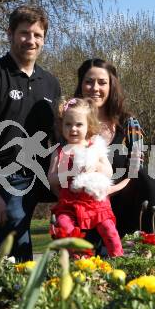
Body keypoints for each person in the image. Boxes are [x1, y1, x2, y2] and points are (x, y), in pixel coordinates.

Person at [0, 5, 61, 262]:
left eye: (38, 35)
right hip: (7, 180)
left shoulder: (51, 83)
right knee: (17, 255)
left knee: (87, 219)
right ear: (10, 34)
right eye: (24, 33)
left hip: (45, 174)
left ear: (44, 38)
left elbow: (61, 136)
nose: (31, 41)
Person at [74, 58, 155, 240]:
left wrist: (109, 191)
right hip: (83, 203)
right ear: (81, 85)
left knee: (148, 178)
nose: (95, 88)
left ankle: (146, 241)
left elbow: (135, 171)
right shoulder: (71, 124)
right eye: (88, 82)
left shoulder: (129, 123)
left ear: (111, 86)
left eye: (102, 82)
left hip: (121, 201)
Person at [48, 98, 124, 257]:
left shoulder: (95, 148)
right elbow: (51, 178)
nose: (73, 129)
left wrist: (95, 166)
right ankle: (81, 260)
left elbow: (109, 172)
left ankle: (118, 258)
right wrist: (69, 172)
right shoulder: (60, 151)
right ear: (61, 126)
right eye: (68, 124)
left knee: (109, 229)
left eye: (79, 124)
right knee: (64, 226)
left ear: (89, 125)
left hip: (95, 202)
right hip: (69, 203)